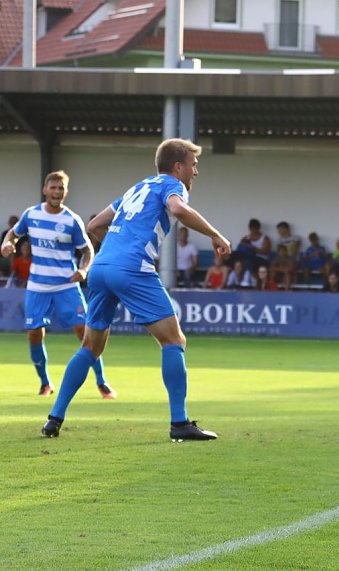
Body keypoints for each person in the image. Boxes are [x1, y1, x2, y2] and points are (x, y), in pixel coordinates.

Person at [39, 138, 231, 441]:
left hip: (101, 268)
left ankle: (54, 419)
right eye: (194, 165)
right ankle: (179, 423)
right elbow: (178, 210)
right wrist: (215, 234)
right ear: (178, 167)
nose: (196, 172)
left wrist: (115, 249)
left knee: (90, 347)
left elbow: (94, 225)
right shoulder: (173, 185)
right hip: (131, 267)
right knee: (173, 340)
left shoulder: (137, 188)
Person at [1, 170, 115, 398]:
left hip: (66, 285)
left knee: (85, 333)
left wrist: (83, 270)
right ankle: (45, 383)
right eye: (53, 187)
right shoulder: (31, 215)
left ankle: (101, 381)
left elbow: (87, 250)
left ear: (66, 192)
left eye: (60, 188)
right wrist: (6, 244)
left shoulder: (71, 220)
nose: (56, 192)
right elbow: (13, 234)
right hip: (38, 286)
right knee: (34, 334)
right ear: (45, 190)